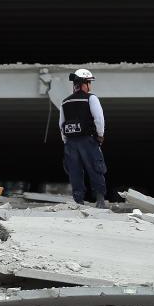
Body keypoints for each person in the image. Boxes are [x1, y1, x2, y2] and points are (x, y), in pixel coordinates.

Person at [59, 69, 107, 208]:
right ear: (84, 84)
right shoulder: (91, 98)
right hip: (88, 140)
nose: (90, 86)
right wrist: (100, 135)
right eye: (89, 82)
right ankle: (100, 201)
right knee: (96, 168)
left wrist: (66, 141)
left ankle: (78, 201)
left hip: (70, 143)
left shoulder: (65, 102)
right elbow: (99, 118)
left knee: (74, 171)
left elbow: (61, 124)